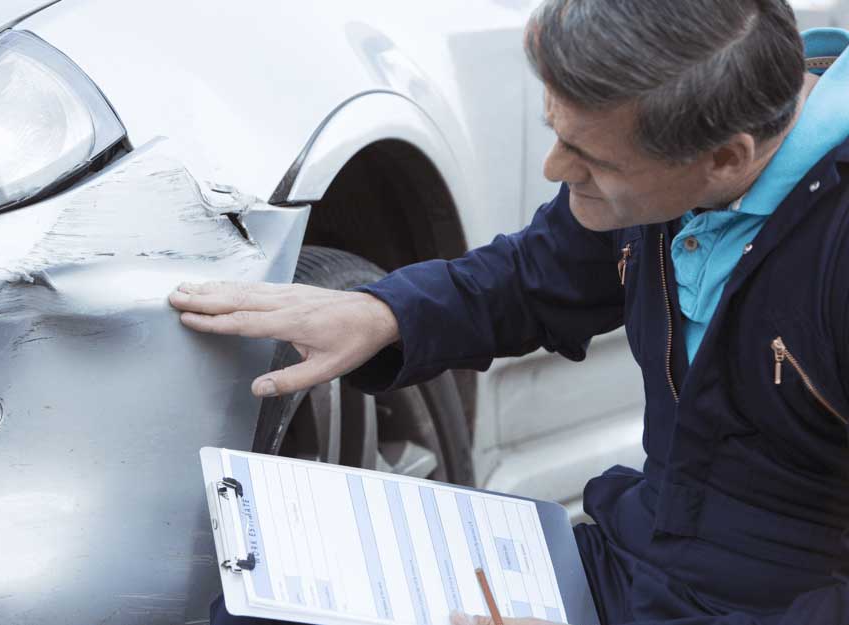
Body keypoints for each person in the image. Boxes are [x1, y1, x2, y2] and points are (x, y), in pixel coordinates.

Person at [169, 1, 849, 623]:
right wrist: (381, 314)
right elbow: (538, 275)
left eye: (587, 158)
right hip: (633, 568)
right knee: (271, 606)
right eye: (555, 132)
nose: (555, 168)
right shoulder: (668, 163)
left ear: (725, 157)